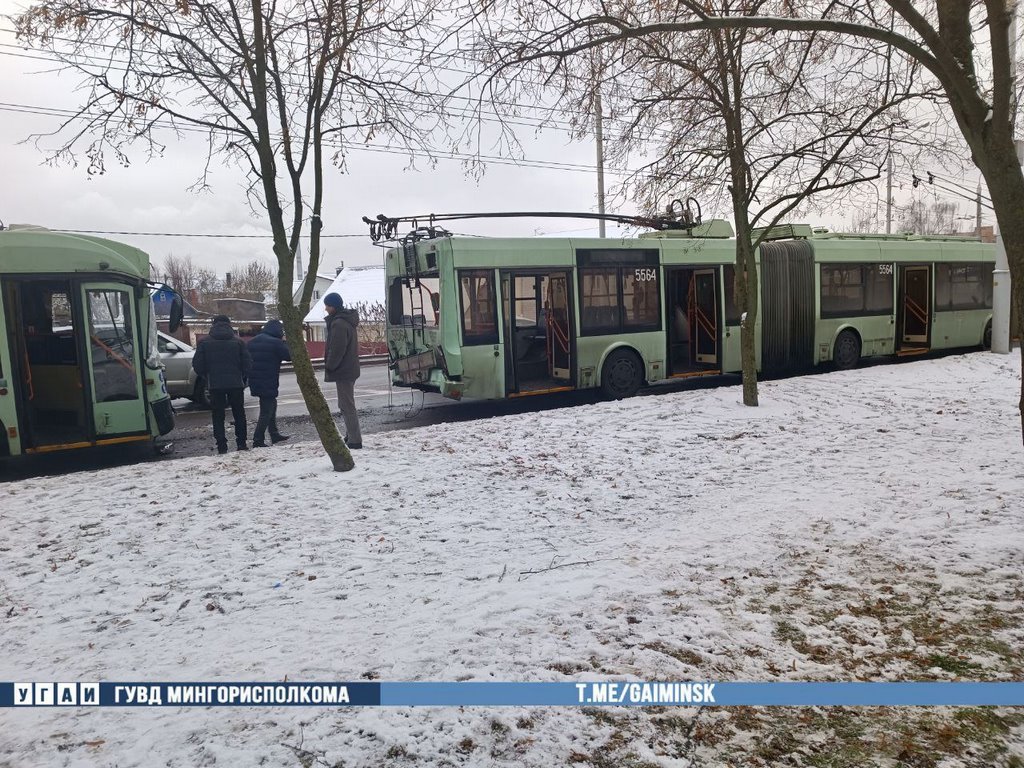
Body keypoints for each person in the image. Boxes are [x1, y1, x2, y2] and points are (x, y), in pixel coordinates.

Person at [192, 314, 252, 454]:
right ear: (229, 324)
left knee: (218, 416)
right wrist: (241, 377)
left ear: (213, 325)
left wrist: (207, 376)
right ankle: (241, 444)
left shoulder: (204, 342)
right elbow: (248, 363)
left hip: (215, 385)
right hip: (236, 384)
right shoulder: (238, 342)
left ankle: (222, 446)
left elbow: (197, 365)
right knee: (239, 414)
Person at [323, 292, 362, 449]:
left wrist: (330, 365)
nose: (326, 309)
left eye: (327, 305)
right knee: (345, 404)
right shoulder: (346, 321)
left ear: (334, 306)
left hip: (343, 369)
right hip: (349, 368)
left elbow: (337, 348)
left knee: (346, 405)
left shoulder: (339, 323)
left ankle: (354, 439)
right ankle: (350, 435)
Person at [247, 318, 292, 448]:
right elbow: (289, 356)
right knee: (266, 411)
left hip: (256, 379)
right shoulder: (276, 343)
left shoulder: (252, 342)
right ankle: (258, 440)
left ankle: (274, 433)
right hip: (268, 379)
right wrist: (286, 342)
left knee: (271, 405)